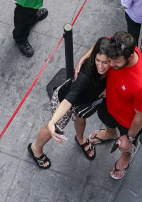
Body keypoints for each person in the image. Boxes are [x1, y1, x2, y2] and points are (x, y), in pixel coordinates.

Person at [28, 37, 116, 168]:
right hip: (64, 100)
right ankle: (36, 148)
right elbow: (68, 100)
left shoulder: (111, 50)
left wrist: (82, 57)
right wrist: (52, 122)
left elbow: (99, 42)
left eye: (105, 62)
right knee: (53, 128)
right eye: (97, 60)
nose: (101, 66)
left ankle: (80, 138)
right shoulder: (86, 75)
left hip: (84, 103)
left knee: (81, 119)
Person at [86, 31, 142, 181]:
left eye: (115, 63)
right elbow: (98, 46)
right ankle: (111, 133)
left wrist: (129, 138)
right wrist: (81, 61)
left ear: (130, 56)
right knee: (107, 120)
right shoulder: (117, 45)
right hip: (110, 103)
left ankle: (126, 156)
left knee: (125, 145)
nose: (110, 65)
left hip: (129, 121)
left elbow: (141, 115)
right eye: (109, 60)